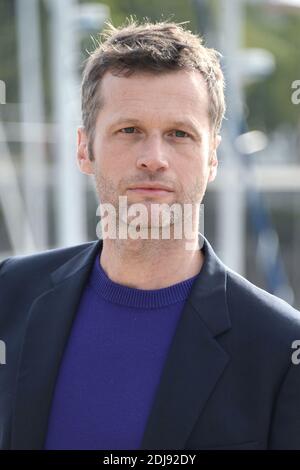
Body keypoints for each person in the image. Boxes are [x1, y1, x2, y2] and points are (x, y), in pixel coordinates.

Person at [0, 19, 300, 451]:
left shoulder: (279, 348)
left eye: (179, 134)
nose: (153, 158)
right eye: (130, 130)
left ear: (211, 157)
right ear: (85, 148)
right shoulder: (10, 294)